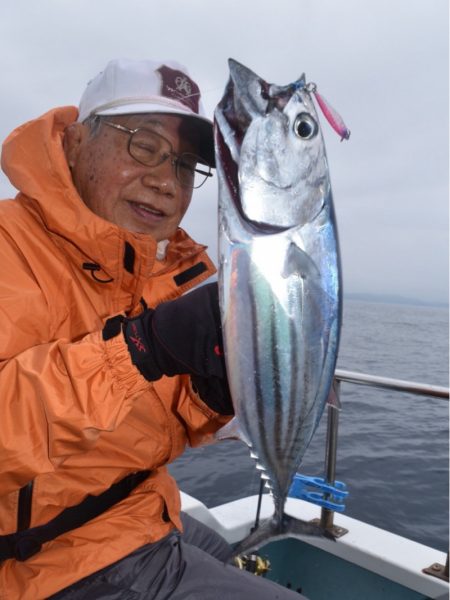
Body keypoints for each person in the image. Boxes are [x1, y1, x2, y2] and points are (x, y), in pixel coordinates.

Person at [0, 58, 308, 599]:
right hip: (43, 562)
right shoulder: (9, 247)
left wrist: (213, 393)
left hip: (137, 509)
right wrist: (140, 348)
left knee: (236, 560)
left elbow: (158, 417)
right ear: (75, 142)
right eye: (143, 146)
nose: (167, 181)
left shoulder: (161, 270)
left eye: (187, 165)